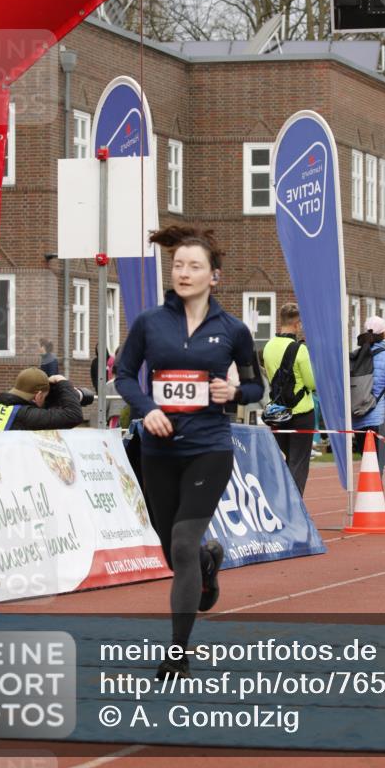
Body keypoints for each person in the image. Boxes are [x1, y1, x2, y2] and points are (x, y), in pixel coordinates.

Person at [114, 224, 264, 679]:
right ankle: (206, 562)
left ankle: (177, 654)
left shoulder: (233, 329)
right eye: (178, 265)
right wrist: (147, 409)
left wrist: (233, 392)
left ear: (213, 276)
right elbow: (125, 374)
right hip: (158, 450)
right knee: (173, 550)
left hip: (209, 448)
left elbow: (255, 386)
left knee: (181, 542)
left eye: (194, 266)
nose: (183, 273)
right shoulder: (150, 323)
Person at [262, 302, 316, 494]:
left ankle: (281, 501)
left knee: (282, 461)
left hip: (278, 412)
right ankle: (295, 504)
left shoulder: (268, 347)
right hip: (301, 412)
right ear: (297, 324)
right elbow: (311, 383)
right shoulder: (300, 349)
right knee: (298, 462)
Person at [351, 317, 385, 476]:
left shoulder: (356, 356)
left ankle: (369, 492)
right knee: (378, 469)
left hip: (359, 419)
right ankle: (375, 492)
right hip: (383, 419)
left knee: (367, 467)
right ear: (384, 334)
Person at [0, 368, 84, 431]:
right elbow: (73, 416)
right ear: (38, 395)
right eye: (45, 397)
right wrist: (61, 380)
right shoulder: (25, 415)